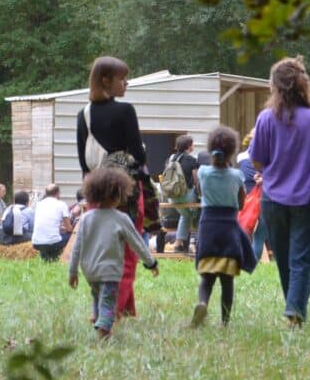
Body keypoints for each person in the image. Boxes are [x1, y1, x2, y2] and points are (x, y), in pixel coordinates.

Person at [247, 56, 310, 327]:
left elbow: (257, 160)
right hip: (308, 199)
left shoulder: (265, 119)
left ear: (274, 86)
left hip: (273, 198)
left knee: (284, 260)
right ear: (303, 85)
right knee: (301, 259)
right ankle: (294, 310)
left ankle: (294, 309)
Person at [68, 168, 158, 340]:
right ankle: (104, 331)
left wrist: (72, 272)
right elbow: (137, 243)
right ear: (118, 195)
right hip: (110, 271)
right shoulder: (120, 218)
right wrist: (151, 262)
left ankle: (97, 316)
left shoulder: (86, 218)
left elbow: (77, 247)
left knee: (97, 295)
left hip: (90, 271)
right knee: (108, 301)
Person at [76, 55, 158, 234]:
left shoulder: (83, 114)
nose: (126, 83)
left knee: (100, 241)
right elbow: (138, 154)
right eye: (122, 79)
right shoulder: (125, 110)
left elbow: (83, 162)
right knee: (127, 243)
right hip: (124, 190)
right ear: (105, 81)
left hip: (96, 190)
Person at [191, 126, 257, 326]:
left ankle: (202, 302)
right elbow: (241, 203)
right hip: (228, 227)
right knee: (227, 281)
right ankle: (225, 322)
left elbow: (200, 191)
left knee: (207, 277)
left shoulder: (203, 172)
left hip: (208, 226)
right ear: (232, 150)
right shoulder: (237, 176)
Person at [236, 128, 267, 260]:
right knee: (260, 234)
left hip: (248, 197)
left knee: (245, 229)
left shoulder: (241, 157)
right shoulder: (269, 155)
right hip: (266, 196)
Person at [167, 135, 201, 254]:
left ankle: (178, 244)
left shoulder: (171, 159)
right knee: (198, 211)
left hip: (172, 196)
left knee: (185, 215)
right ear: (188, 146)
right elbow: (196, 180)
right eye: (192, 144)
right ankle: (197, 242)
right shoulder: (192, 160)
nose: (193, 146)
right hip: (186, 196)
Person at [31, 183, 72, 261]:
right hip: (53, 243)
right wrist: (65, 229)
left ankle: (46, 258)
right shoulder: (61, 204)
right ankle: (65, 259)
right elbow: (69, 228)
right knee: (71, 235)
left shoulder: (39, 204)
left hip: (36, 242)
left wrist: (59, 228)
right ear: (58, 193)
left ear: (46, 193)